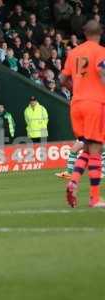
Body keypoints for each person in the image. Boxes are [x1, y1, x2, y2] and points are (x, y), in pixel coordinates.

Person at [60, 20, 105, 208]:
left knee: (87, 149)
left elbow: (62, 78)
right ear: (100, 32)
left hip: (76, 104)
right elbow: (102, 72)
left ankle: (73, 181)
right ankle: (94, 198)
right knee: (97, 149)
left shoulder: (74, 52)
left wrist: (76, 89)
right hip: (94, 103)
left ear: (85, 34)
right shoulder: (100, 51)